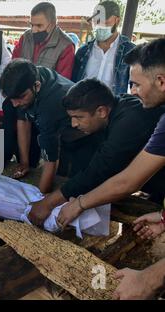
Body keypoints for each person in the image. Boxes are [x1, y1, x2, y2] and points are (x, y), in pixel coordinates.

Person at [58, 39, 165, 300]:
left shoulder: (134, 118)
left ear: (161, 81)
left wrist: (149, 279)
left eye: (137, 84)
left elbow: (127, 182)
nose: (133, 92)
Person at [27, 78, 165, 226]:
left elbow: (101, 169)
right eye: (71, 117)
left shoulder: (131, 120)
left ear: (101, 111)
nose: (74, 124)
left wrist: (50, 202)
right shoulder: (112, 113)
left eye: (78, 117)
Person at [0, 59, 76, 193]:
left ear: (37, 86)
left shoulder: (51, 104)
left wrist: (40, 198)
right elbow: (23, 120)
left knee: (67, 181)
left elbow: (51, 157)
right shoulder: (26, 81)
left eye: (20, 97)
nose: (15, 104)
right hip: (53, 127)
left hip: (79, 135)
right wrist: (25, 162)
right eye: (12, 99)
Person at [72, 1, 135, 95]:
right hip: (83, 106)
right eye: (96, 22)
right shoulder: (83, 52)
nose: (99, 26)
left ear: (117, 21)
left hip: (114, 108)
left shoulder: (131, 52)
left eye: (105, 22)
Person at [11, 2, 74, 80]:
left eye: (39, 26)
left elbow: (62, 83)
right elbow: (13, 68)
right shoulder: (25, 37)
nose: (33, 30)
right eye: (32, 25)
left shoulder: (66, 46)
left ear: (52, 24)